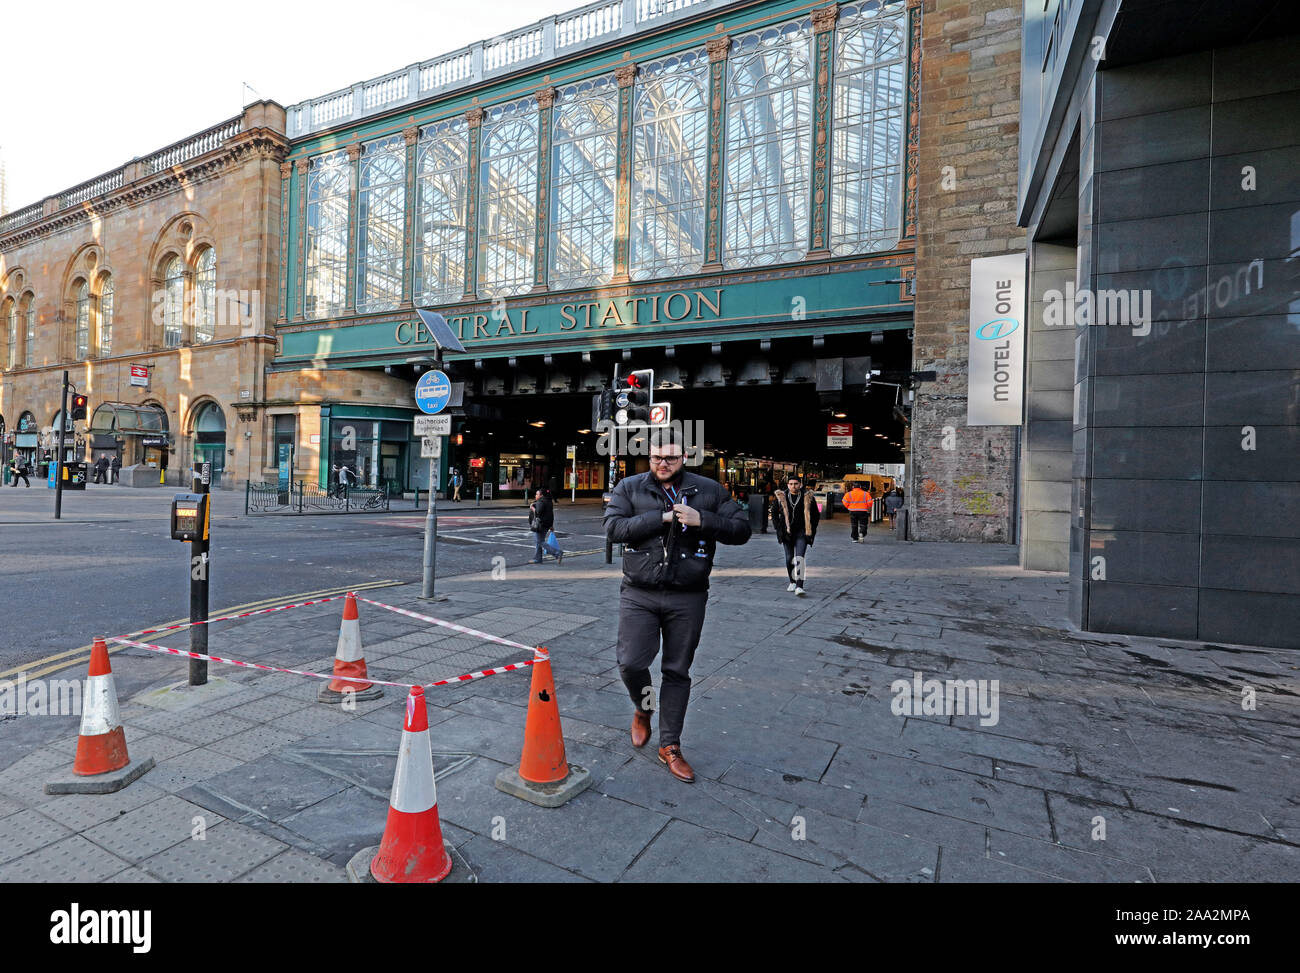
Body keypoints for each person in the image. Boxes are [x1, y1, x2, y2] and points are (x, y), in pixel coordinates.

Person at [603, 428, 751, 783]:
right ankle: (643, 707)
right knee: (630, 662)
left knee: (676, 670)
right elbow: (613, 528)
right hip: (640, 591)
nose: (663, 463)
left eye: (670, 457)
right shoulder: (631, 487)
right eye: (656, 458)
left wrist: (705, 521)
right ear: (649, 458)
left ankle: (670, 745)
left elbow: (742, 528)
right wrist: (662, 517)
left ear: (684, 457)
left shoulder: (709, 490)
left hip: (688, 594)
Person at [770, 475, 819, 596]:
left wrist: (811, 529)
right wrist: (778, 528)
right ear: (787, 485)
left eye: (796, 484)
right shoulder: (781, 497)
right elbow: (774, 513)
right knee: (789, 558)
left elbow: (815, 515)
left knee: (799, 558)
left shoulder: (808, 497)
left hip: (802, 532)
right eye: (791, 484)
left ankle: (799, 586)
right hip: (787, 533)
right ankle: (792, 581)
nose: (793, 486)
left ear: (800, 484)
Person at [529, 487, 560, 564]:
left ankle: (557, 553)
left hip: (541, 524)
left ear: (541, 495)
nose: (535, 495)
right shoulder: (548, 501)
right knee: (538, 541)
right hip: (546, 524)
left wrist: (532, 508)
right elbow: (550, 514)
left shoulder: (541, 502)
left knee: (539, 541)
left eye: (537, 494)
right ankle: (538, 558)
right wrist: (551, 525)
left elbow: (538, 512)